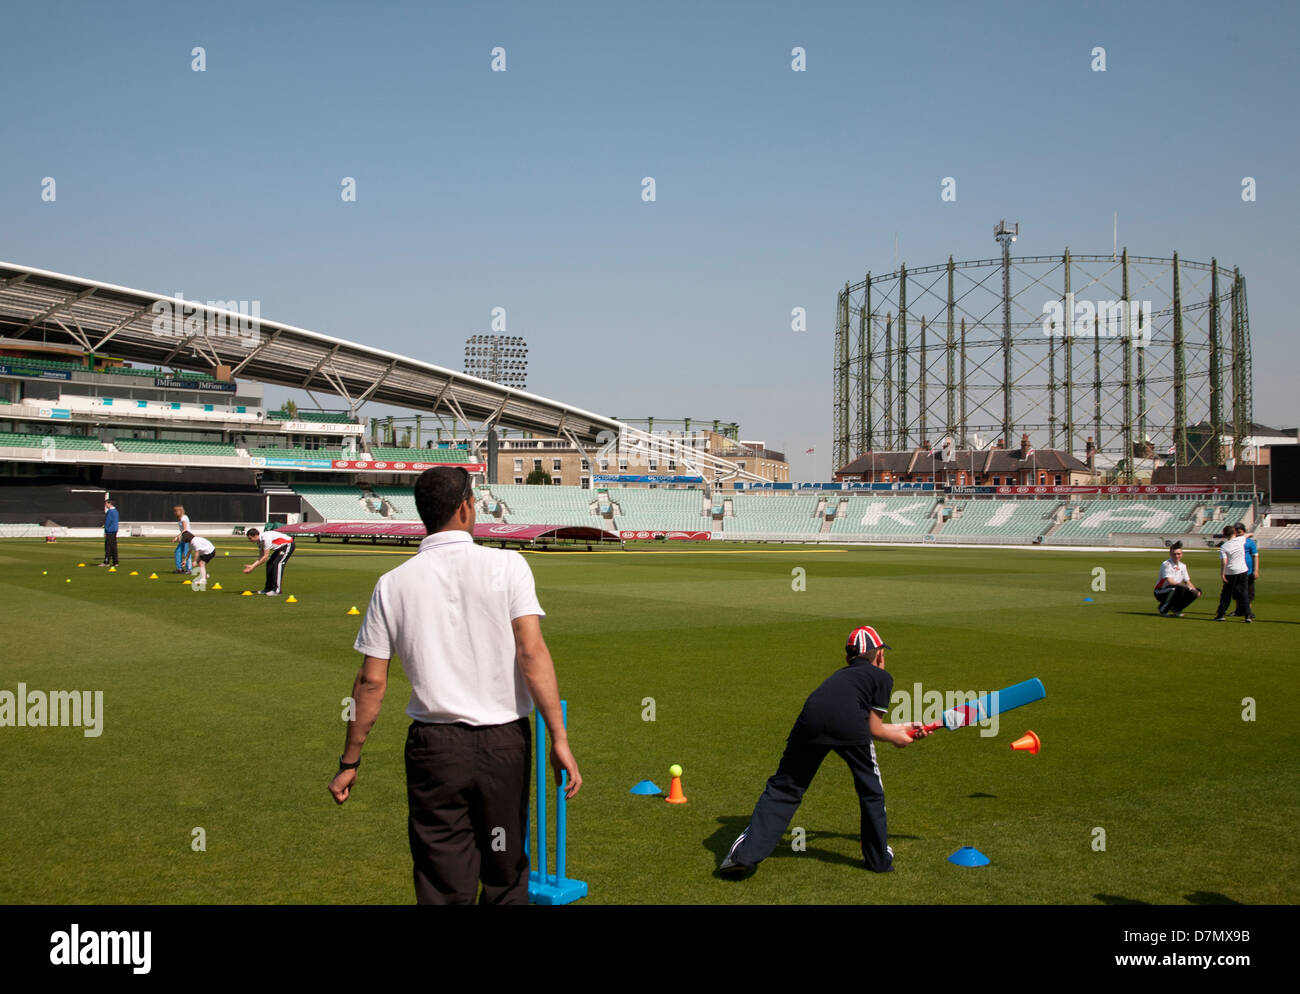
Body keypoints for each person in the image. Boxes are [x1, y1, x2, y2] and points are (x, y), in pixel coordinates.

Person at [327, 466, 581, 905]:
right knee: (503, 868)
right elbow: (532, 653)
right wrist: (558, 737)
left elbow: (371, 682)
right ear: (465, 507)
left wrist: (350, 760)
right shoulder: (508, 565)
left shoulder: (392, 584)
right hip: (504, 747)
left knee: (444, 877)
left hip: (435, 750)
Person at [720, 625, 929, 877]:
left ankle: (743, 856)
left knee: (785, 788)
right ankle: (878, 859)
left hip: (811, 718)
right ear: (880, 655)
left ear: (847, 658)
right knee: (871, 791)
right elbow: (874, 728)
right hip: (850, 725)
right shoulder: (882, 677)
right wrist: (898, 739)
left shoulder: (839, 677)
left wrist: (902, 728)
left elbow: (861, 720)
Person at [1213, 525, 1252, 622]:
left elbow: (1224, 562)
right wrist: (1242, 534)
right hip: (1242, 570)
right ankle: (1247, 615)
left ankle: (1221, 614)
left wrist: (1222, 574)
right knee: (1243, 593)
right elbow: (1249, 534)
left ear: (1224, 535)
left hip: (1230, 572)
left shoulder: (1224, 546)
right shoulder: (1240, 540)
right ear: (1234, 532)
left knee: (1226, 594)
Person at [242, 526, 295, 595]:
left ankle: (277, 590)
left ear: (255, 535)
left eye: (250, 538)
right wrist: (252, 566)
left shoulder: (265, 538)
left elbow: (265, 556)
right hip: (280, 548)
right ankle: (268, 588)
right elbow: (261, 556)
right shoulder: (259, 542)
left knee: (277, 564)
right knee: (269, 564)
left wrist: (253, 567)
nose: (250, 540)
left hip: (288, 545)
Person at [1153, 541, 1201, 617]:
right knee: (1177, 588)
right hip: (1161, 591)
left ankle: (1176, 609)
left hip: (1176, 589)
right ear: (1170, 554)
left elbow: (1187, 581)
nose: (1176, 556)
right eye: (1174, 554)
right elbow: (1170, 581)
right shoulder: (1166, 564)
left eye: (1178, 554)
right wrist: (1186, 587)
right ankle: (1163, 609)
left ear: (1182, 554)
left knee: (1196, 591)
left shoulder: (1183, 566)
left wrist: (1194, 590)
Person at [1231, 522, 1259, 618]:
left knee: (1249, 592)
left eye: (1239, 531)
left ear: (1243, 531)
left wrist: (1256, 570)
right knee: (1237, 591)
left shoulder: (1250, 542)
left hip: (1248, 570)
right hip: (1237, 570)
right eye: (1236, 531)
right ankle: (1238, 610)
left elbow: (1255, 556)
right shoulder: (1233, 541)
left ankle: (1248, 611)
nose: (1238, 533)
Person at [171, 506, 191, 574]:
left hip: (188, 537)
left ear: (180, 511)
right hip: (184, 536)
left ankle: (189, 569)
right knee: (177, 551)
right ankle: (179, 569)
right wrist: (180, 536)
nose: (174, 513)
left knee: (186, 553)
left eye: (176, 511)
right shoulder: (180, 518)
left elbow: (185, 529)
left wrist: (178, 536)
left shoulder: (184, 518)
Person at [99, 499, 119, 567]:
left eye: (106, 503)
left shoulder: (110, 511)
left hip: (110, 531)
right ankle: (115, 562)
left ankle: (106, 562)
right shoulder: (116, 511)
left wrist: (105, 530)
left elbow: (108, 522)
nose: (105, 505)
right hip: (114, 530)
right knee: (114, 547)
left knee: (108, 547)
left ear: (109, 503)